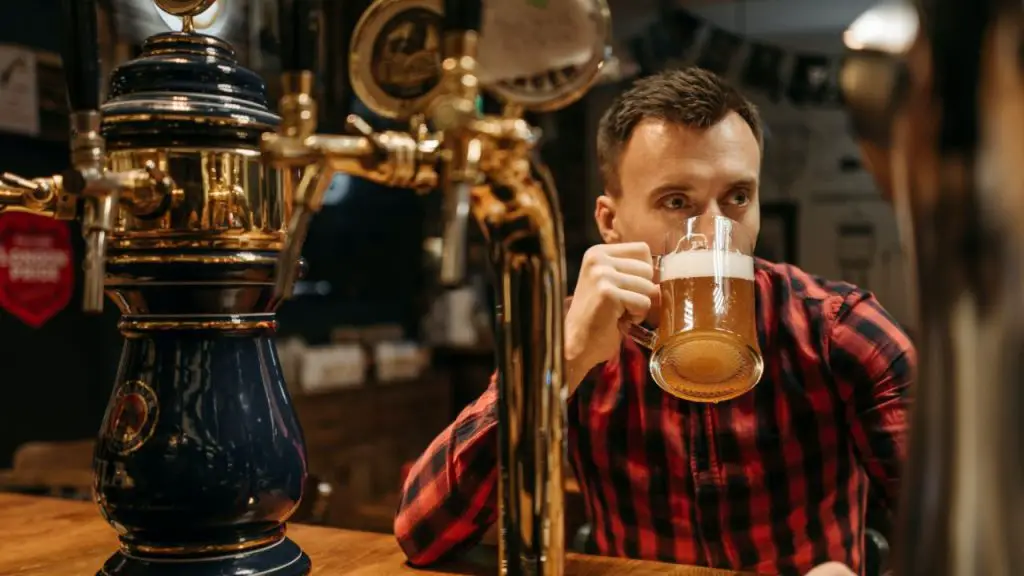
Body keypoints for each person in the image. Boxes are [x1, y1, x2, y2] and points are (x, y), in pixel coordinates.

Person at [394, 68, 914, 576]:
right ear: (610, 223)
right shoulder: (573, 331)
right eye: (677, 202)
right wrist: (564, 363)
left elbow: (959, 533)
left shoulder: (840, 330)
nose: (712, 233)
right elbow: (424, 533)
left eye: (737, 198)